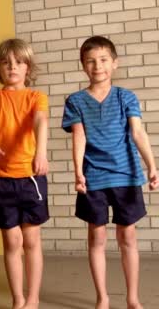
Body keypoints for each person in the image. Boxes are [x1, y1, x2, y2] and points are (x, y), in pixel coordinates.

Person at [62, 36, 158, 309]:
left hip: (126, 176)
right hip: (94, 178)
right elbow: (78, 138)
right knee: (97, 236)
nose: (97, 66)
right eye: (90, 61)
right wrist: (78, 172)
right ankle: (102, 298)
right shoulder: (75, 101)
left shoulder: (126, 97)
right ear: (83, 66)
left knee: (127, 237)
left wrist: (151, 165)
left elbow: (137, 132)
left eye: (103, 60)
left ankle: (132, 298)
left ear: (114, 63)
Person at [0, 39, 49, 309]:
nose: (12, 67)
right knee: (11, 241)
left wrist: (41, 152)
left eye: (18, 62)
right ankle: (18, 299)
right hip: (0, 177)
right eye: (6, 62)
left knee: (31, 239)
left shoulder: (36, 97)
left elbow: (41, 120)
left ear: (27, 67)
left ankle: (32, 299)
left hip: (30, 176)